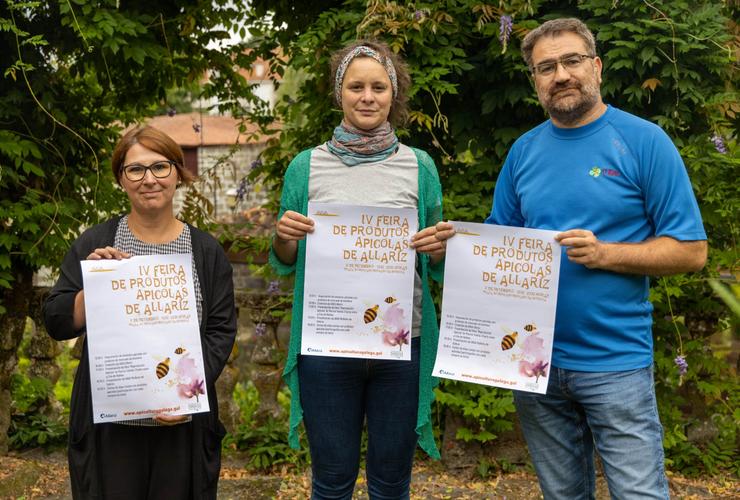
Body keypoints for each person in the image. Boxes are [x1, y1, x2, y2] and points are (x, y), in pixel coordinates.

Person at [484, 18, 707, 500]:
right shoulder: (523, 152)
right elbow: (497, 246)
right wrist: (452, 249)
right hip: (533, 362)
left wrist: (605, 253)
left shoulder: (645, 142)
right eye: (546, 67)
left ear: (597, 67)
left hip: (615, 362)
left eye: (571, 61)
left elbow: (691, 251)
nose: (560, 74)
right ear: (535, 81)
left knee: (639, 494)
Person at [270, 40, 453, 499]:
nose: (367, 96)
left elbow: (437, 263)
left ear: (394, 94)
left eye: (378, 86)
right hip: (327, 344)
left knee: (392, 482)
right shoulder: (305, 166)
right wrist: (285, 236)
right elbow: (285, 260)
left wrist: (439, 249)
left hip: (401, 345)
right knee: (331, 481)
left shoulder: (420, 166)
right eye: (356, 86)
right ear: (339, 94)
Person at [43, 126, 237, 499]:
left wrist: (184, 395)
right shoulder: (96, 243)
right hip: (111, 428)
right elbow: (55, 319)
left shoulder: (206, 251)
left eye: (160, 167)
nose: (149, 179)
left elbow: (220, 331)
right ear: (121, 179)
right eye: (135, 170)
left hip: (182, 426)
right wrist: (91, 288)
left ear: (177, 174)